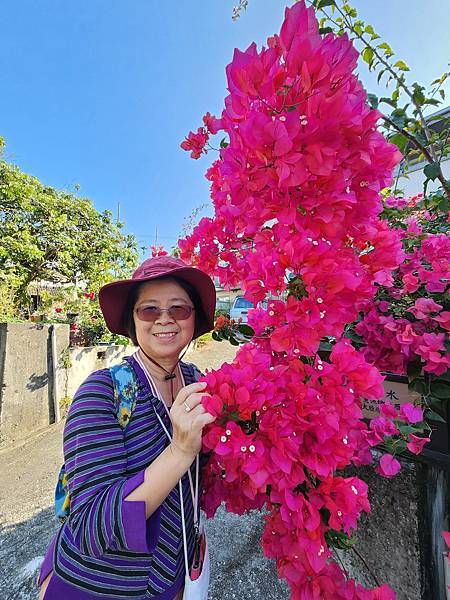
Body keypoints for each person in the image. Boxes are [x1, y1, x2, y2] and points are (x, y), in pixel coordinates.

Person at [38, 256, 217, 600]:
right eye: (149, 310)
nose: (164, 319)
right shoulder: (102, 392)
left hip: (173, 577)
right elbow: (91, 528)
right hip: (101, 587)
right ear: (132, 321)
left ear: (194, 318)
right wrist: (179, 451)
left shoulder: (196, 382)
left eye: (179, 309)